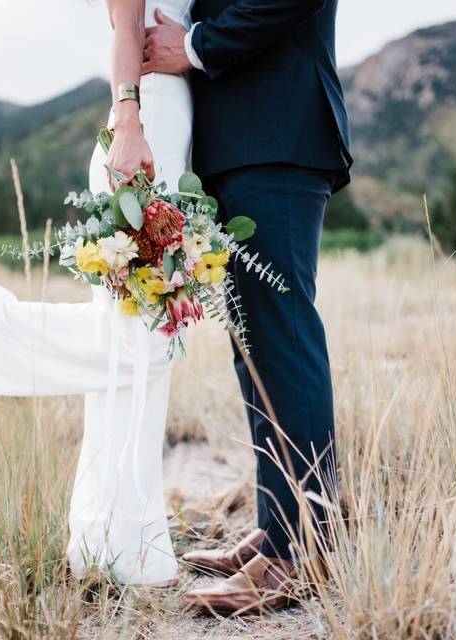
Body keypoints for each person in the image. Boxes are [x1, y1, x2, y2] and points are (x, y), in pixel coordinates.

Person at [0, 0, 195, 587]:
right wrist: (127, 123)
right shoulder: (137, 121)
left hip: (176, 131)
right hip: (146, 128)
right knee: (145, 348)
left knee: (136, 355)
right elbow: (126, 22)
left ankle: (118, 549)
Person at [142, 0, 352, 615]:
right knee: (255, 348)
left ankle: (301, 554)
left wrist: (196, 46)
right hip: (242, 145)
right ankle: (280, 527)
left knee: (282, 340)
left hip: (277, 136)